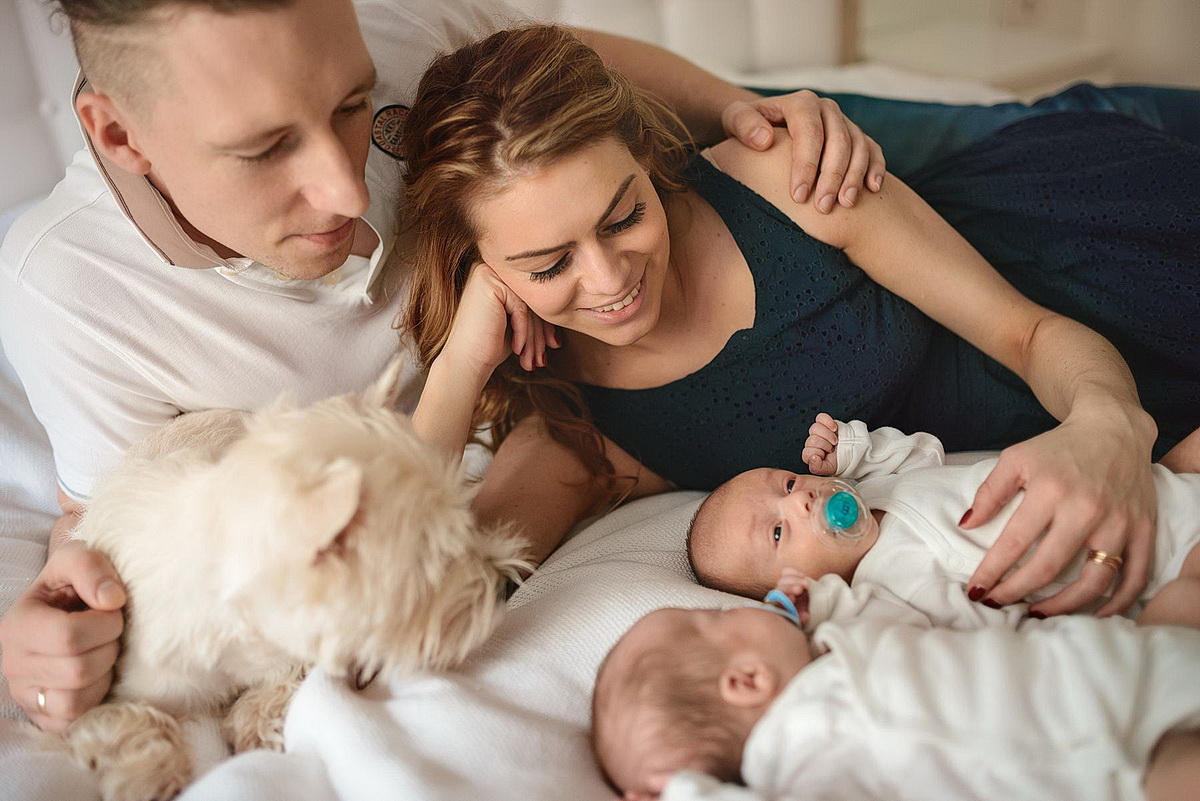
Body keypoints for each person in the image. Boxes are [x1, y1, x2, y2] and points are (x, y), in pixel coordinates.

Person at [0, 0, 885, 733]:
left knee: (976, 158)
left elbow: (567, 72)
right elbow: (105, 503)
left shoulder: (393, 31)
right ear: (120, 133)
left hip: (716, 197)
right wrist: (56, 615)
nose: (349, 192)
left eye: (354, 106)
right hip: (550, 433)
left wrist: (736, 108)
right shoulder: (68, 290)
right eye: (266, 149)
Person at [399, 25, 1200, 630]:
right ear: (482, 269)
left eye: (624, 216)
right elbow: (418, 604)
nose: (611, 281)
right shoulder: (573, 432)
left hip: (1093, 252)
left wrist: (1107, 422)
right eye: (547, 266)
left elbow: (1029, 332)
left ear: (645, 158)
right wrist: (461, 369)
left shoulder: (788, 179)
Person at [591, 589, 1200, 801]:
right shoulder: (806, 753)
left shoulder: (827, 658)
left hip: (1099, 670)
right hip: (1098, 763)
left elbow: (896, 616)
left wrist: (820, 601)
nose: (744, 608)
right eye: (723, 616)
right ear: (747, 681)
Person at [688, 414, 1200, 631]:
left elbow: (923, 455)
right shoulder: (892, 584)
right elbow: (990, 629)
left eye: (788, 484)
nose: (799, 501)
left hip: (1144, 485)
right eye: (778, 533)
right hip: (1158, 563)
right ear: (798, 586)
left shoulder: (875, 490)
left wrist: (853, 449)